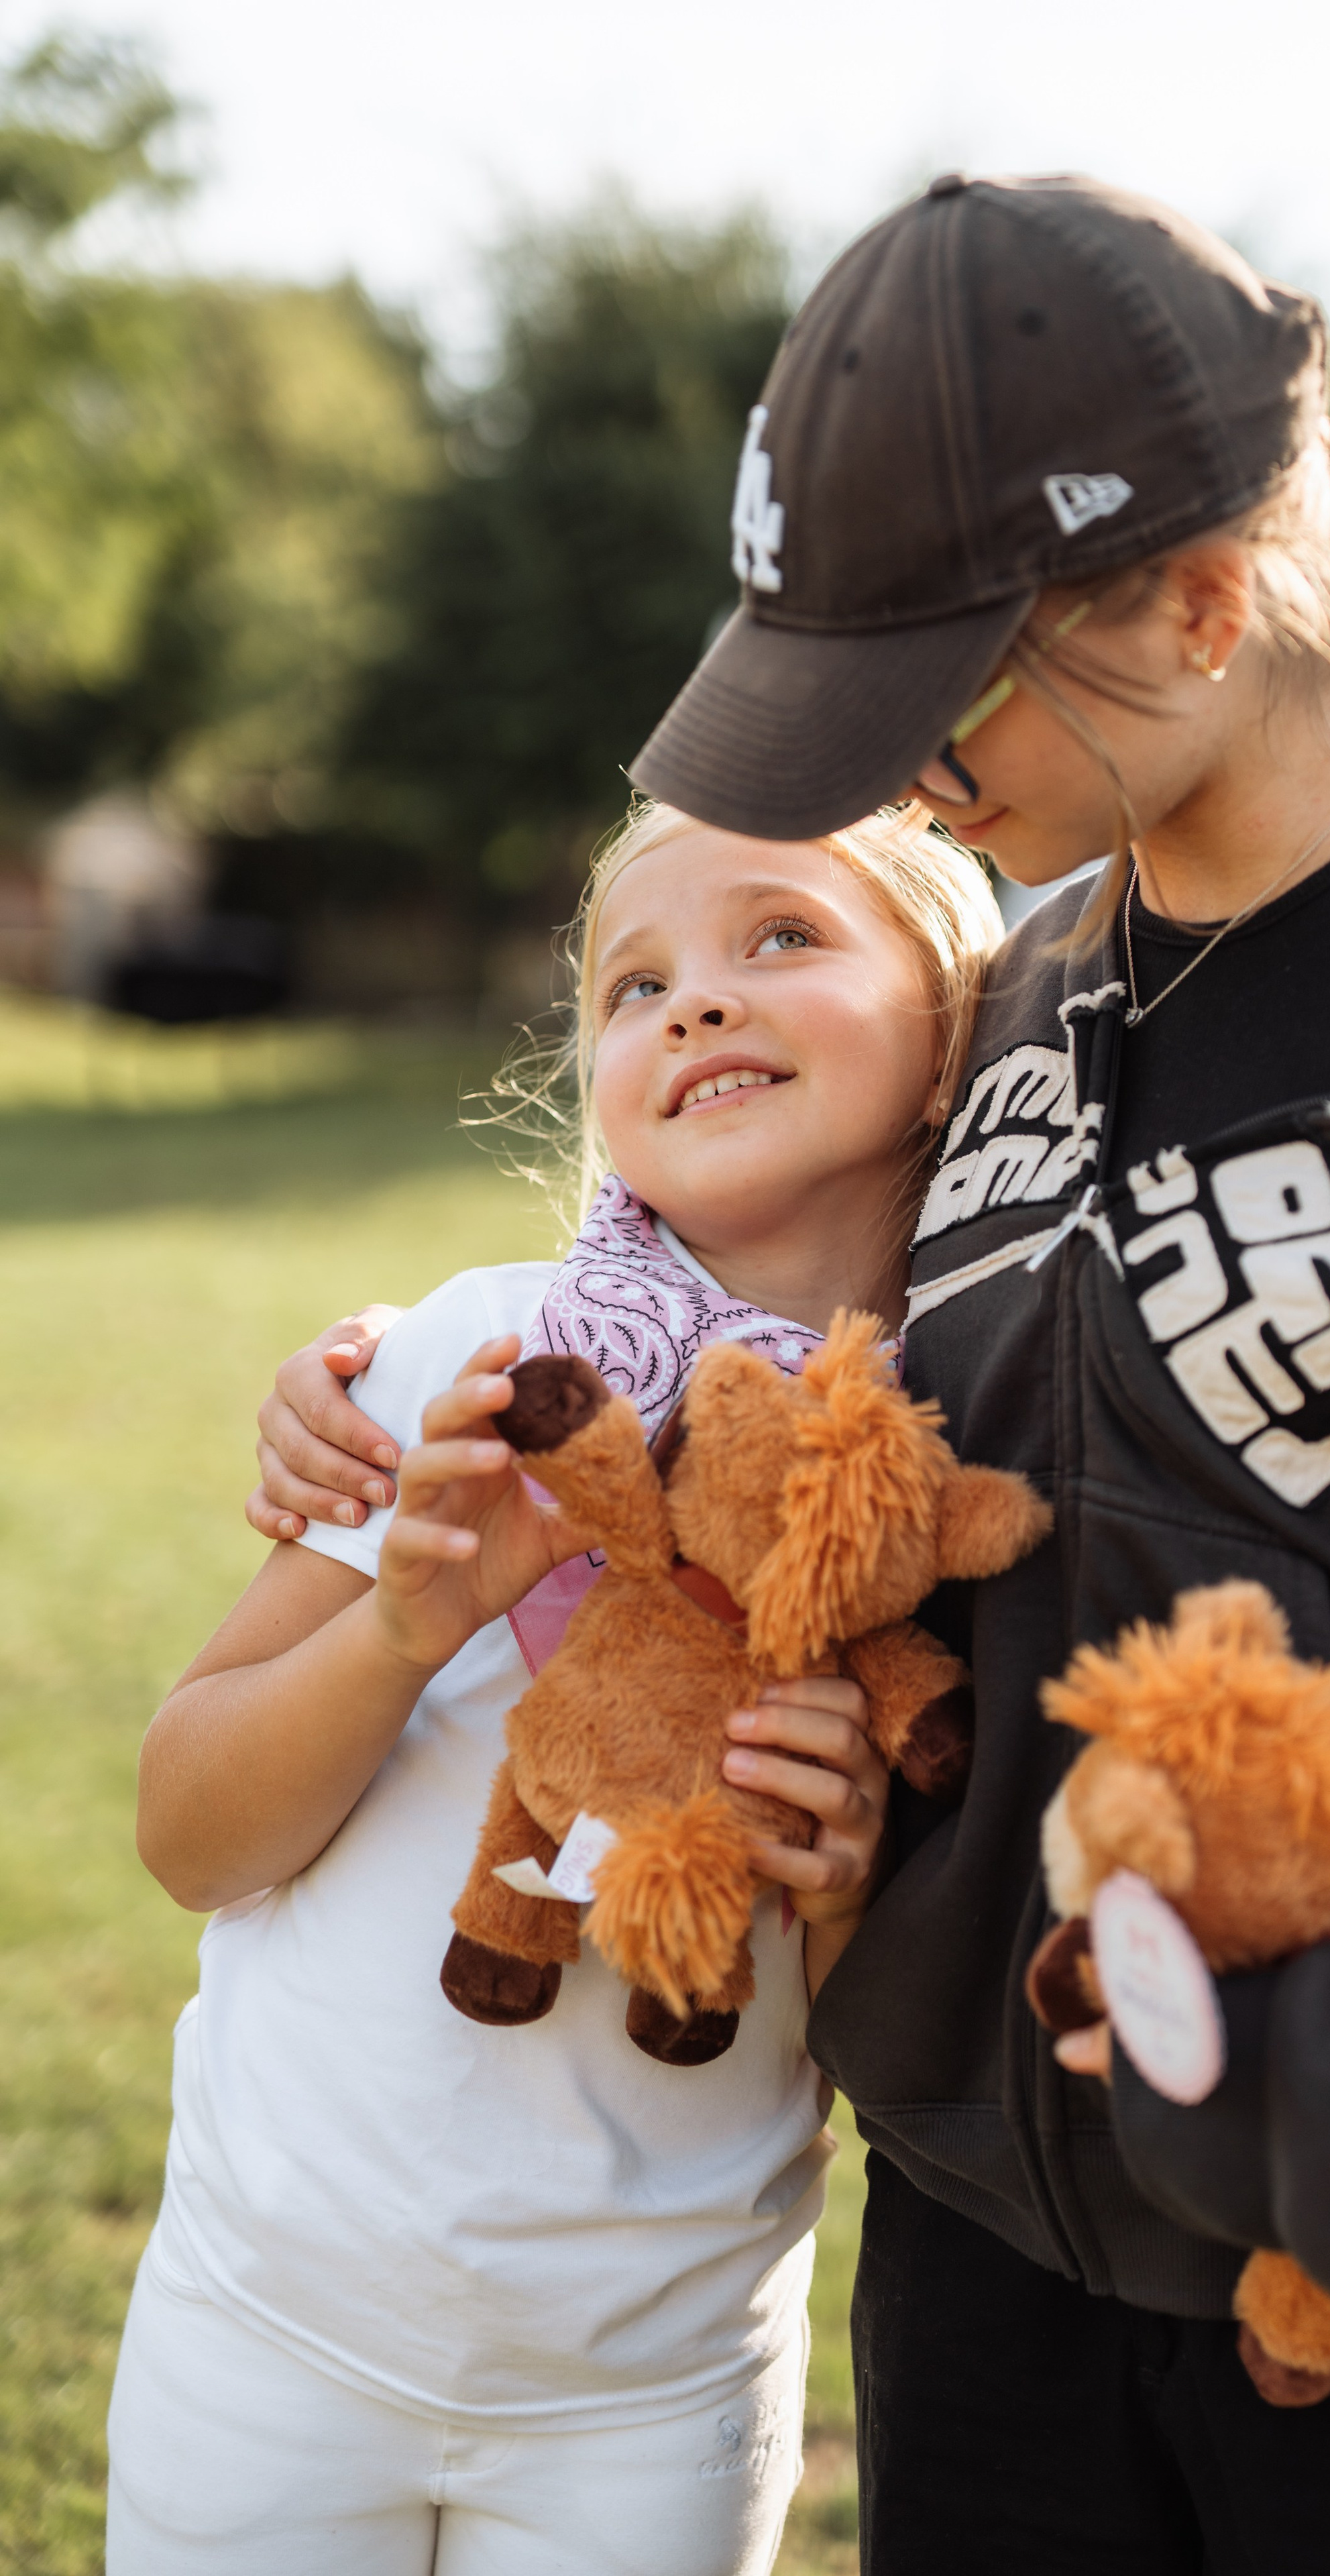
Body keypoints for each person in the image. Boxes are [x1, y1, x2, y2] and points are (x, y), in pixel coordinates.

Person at [253, 179, 1330, 2574]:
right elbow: (772, 1340)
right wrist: (394, 1377)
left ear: (1204, 606)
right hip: (985, 2259)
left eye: (937, 696)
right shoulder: (1029, 993)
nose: (903, 773)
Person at [113, 799, 1003, 2575]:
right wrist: (399, 1631)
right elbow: (189, 1836)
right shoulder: (474, 1368)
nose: (693, 1004)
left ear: (953, 1036)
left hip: (648, 2394)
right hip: (268, 2324)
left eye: (783, 940)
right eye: (636, 981)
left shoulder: (960, 1495)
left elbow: (886, 2051)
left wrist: (840, 1882)